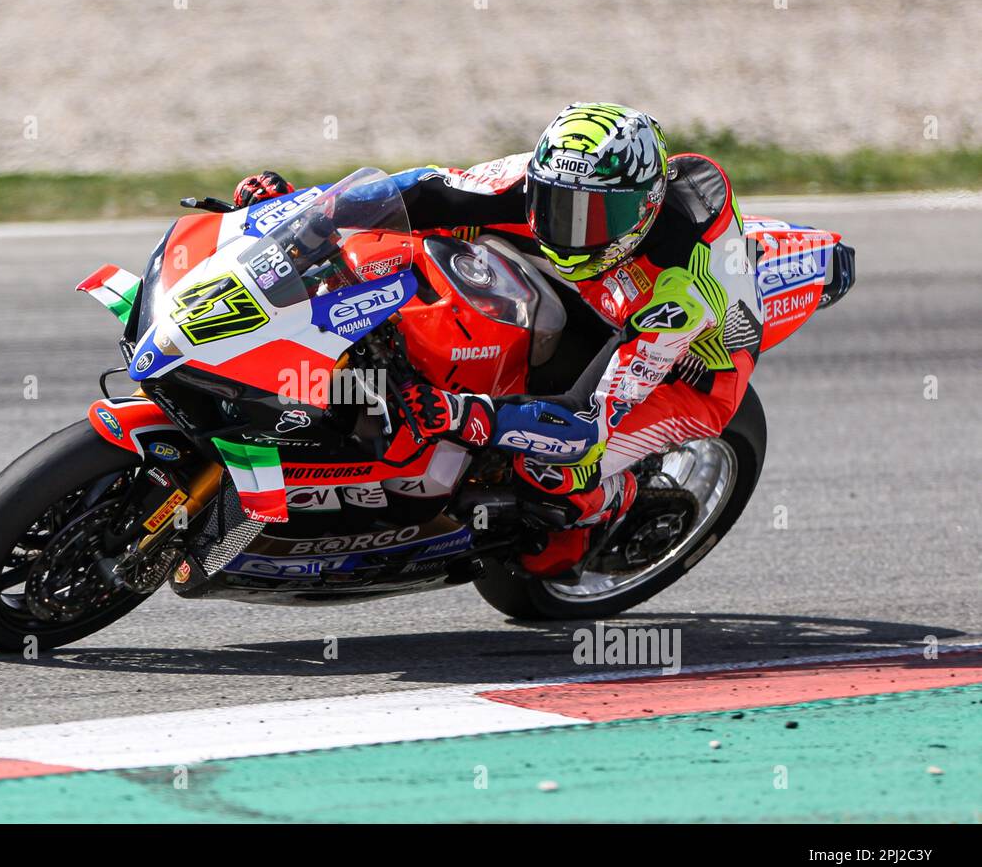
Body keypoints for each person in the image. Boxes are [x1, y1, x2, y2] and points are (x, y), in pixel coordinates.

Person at [233, 102, 761, 577]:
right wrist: (307, 211)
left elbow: (584, 424)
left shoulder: (678, 294)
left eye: (592, 216)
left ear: (642, 209)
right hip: (600, 286)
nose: (567, 227)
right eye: (556, 203)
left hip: (691, 369)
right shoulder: (536, 181)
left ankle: (612, 504)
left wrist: (462, 415)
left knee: (552, 469)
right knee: (420, 235)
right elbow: (424, 189)